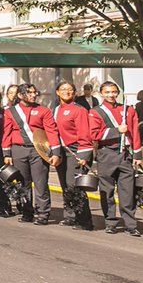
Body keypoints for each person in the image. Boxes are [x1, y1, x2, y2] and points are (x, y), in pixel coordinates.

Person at [86, 82, 142, 236]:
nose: (111, 95)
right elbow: (94, 134)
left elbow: (135, 133)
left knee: (127, 192)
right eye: (108, 92)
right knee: (107, 190)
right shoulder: (95, 112)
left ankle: (131, 224)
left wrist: (137, 154)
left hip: (125, 154)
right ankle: (110, 222)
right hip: (106, 154)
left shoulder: (128, 110)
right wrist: (116, 130)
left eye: (114, 92)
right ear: (101, 93)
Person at [1, 83, 62, 224]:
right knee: (23, 183)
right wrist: (7, 154)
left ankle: (43, 213)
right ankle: (26, 212)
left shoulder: (43, 111)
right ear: (20, 95)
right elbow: (7, 133)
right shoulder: (11, 112)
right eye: (29, 92)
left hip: (38, 150)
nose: (33, 95)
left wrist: (56, 152)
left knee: (41, 183)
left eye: (35, 92)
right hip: (18, 150)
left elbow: (52, 131)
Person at [53, 82, 95, 229]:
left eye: (70, 90)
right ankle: (71, 216)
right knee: (65, 184)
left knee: (75, 186)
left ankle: (85, 220)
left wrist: (83, 155)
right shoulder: (57, 109)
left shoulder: (79, 110)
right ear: (57, 92)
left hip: (76, 151)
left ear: (75, 93)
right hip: (61, 151)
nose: (67, 92)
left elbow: (84, 133)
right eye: (63, 89)